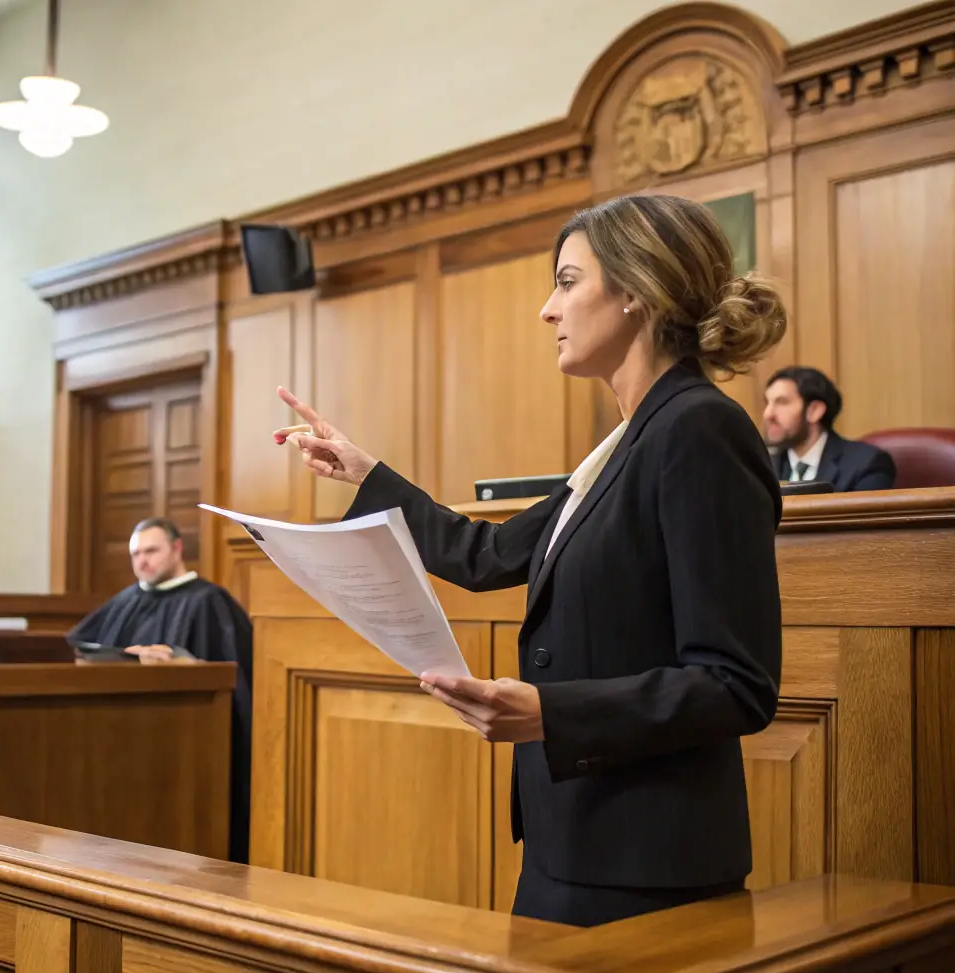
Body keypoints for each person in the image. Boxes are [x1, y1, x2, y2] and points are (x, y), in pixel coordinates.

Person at [274, 194, 786, 928]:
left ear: (638, 290)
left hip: (646, 861)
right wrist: (364, 474)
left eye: (567, 281)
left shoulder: (698, 430)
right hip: (572, 838)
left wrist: (552, 712)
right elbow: (484, 555)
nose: (547, 309)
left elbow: (736, 685)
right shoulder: (627, 442)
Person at [67, 517, 254, 863]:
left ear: (177, 548)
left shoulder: (209, 602)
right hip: (121, 745)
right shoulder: (125, 601)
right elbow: (78, 651)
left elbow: (238, 681)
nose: (142, 560)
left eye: (151, 550)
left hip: (186, 749)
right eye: (135, 553)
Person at [762, 366, 896, 491]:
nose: (768, 414)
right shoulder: (762, 467)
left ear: (814, 411)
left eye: (782, 402)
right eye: (767, 403)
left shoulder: (866, 464)